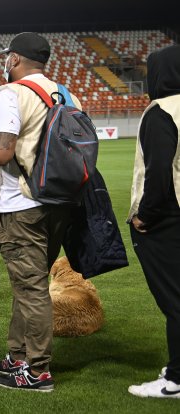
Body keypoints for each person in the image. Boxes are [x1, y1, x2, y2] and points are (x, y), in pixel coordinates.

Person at [0, 32, 82, 392]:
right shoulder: (66, 93)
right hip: (59, 202)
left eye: (8, 57)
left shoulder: (11, 92)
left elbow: (4, 152)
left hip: (22, 203)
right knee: (29, 287)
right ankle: (17, 355)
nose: (6, 62)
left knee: (31, 288)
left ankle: (37, 370)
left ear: (16, 59)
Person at [126, 44, 180, 399]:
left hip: (167, 219)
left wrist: (145, 214)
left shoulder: (160, 111)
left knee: (175, 300)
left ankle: (175, 379)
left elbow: (159, 172)